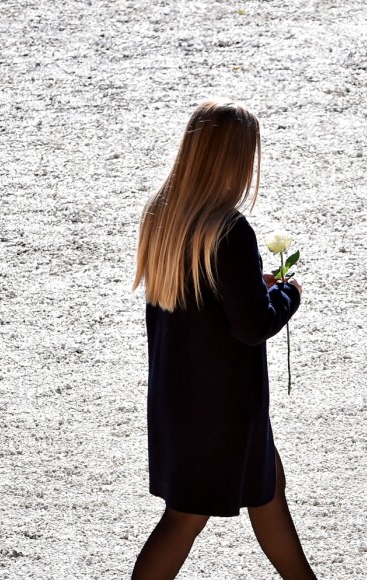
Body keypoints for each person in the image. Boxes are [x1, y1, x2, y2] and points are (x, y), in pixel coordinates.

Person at [130, 98, 317, 579]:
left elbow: (204, 301)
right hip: (225, 407)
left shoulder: (165, 216)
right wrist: (289, 294)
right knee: (185, 518)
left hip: (180, 397)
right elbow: (252, 326)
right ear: (233, 159)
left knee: (270, 496)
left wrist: (255, 288)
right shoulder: (229, 230)